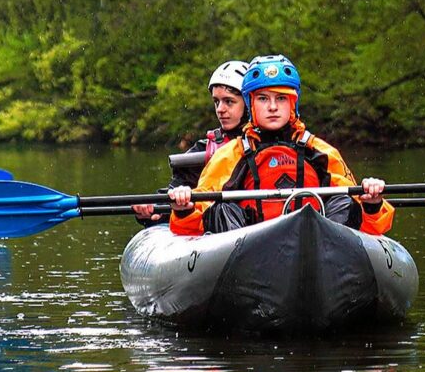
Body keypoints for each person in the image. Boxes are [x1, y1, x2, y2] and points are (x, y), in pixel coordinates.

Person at [168, 54, 394, 236]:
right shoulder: (230, 156)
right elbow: (197, 217)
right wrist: (184, 207)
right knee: (222, 209)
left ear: (293, 102)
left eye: (281, 98)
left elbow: (370, 223)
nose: (273, 107)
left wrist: (372, 202)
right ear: (250, 104)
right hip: (249, 250)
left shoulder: (321, 151)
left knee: (343, 202)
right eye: (263, 99)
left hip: (316, 245)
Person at [132, 60, 250, 225]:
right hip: (220, 224)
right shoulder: (204, 149)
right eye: (216, 101)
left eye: (229, 101)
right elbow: (175, 192)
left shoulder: (267, 143)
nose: (220, 109)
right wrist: (153, 210)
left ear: (248, 103)